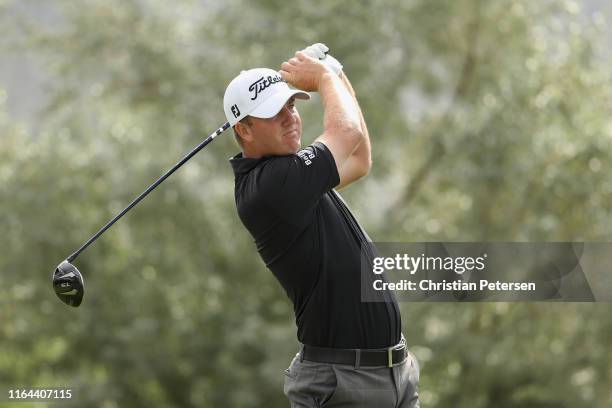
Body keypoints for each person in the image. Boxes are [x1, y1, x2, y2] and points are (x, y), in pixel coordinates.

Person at [224, 44, 420, 407]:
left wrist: (334, 68)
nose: (291, 118)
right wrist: (324, 77)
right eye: (274, 113)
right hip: (344, 384)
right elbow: (345, 135)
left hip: (393, 374)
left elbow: (359, 157)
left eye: (292, 106)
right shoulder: (271, 187)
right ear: (244, 130)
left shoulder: (293, 174)